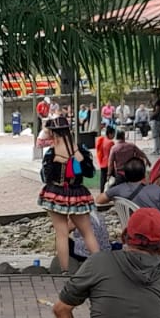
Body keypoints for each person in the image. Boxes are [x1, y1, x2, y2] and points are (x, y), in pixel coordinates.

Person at [39, 115, 100, 273]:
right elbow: (90, 173)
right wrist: (78, 161)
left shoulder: (51, 153)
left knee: (61, 234)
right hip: (78, 194)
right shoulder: (80, 149)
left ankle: (64, 272)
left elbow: (46, 177)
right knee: (88, 233)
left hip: (56, 195)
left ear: (53, 133)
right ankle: (101, 268)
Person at [98, 157, 160, 259]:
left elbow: (99, 200)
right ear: (144, 173)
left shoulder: (119, 189)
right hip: (155, 238)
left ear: (125, 174)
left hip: (133, 236)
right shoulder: (156, 190)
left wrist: (111, 189)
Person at [95, 126, 116, 191]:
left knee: (103, 180)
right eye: (113, 134)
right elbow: (113, 154)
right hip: (109, 163)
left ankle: (102, 192)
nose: (114, 136)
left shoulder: (101, 140)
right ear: (110, 134)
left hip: (102, 163)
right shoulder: (111, 142)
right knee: (113, 180)